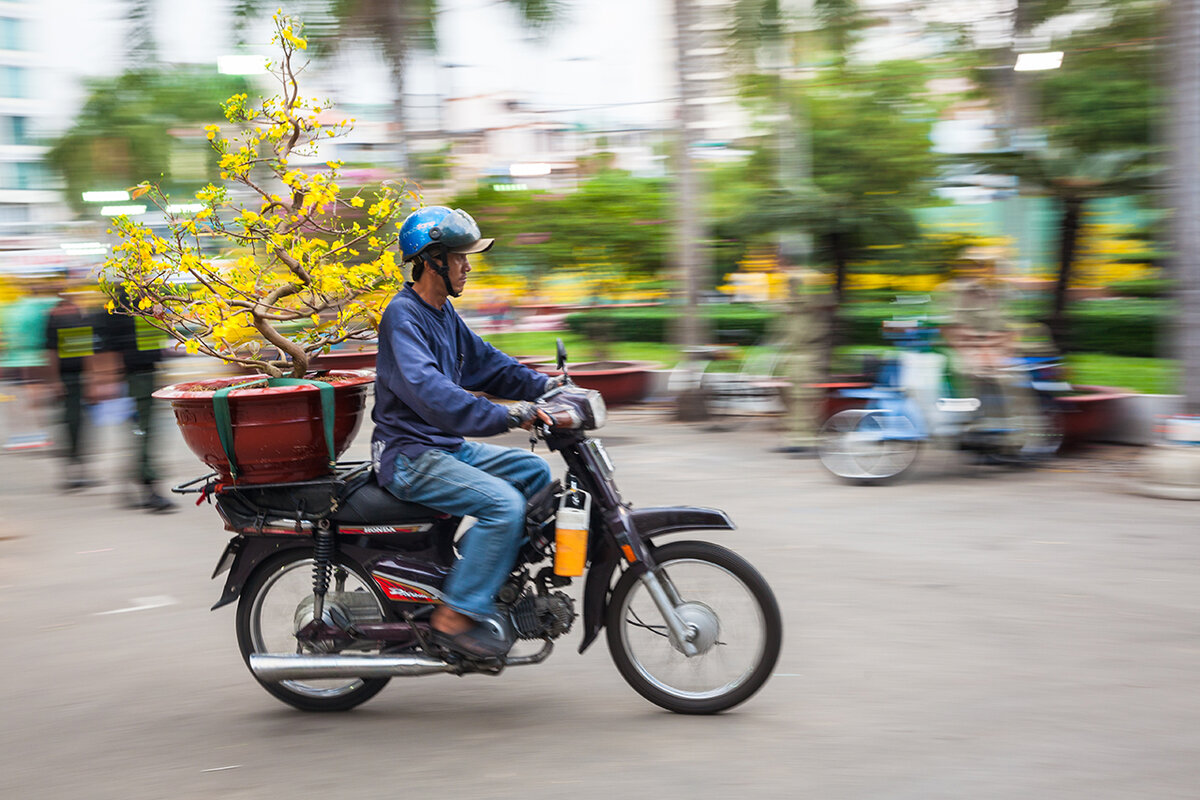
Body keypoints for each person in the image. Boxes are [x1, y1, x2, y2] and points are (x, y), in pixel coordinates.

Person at [372, 206, 561, 659]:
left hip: (443, 448)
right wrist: (509, 415)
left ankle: (479, 580)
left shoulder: (442, 313)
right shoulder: (403, 316)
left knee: (534, 473)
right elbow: (432, 393)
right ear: (431, 260)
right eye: (460, 258)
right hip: (409, 455)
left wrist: (550, 387)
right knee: (503, 504)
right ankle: (454, 615)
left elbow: (489, 364)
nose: (468, 267)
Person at [94, 284, 177, 513]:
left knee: (142, 433)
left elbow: (157, 336)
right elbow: (109, 345)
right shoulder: (122, 303)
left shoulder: (147, 302)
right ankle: (148, 487)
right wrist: (107, 380)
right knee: (143, 432)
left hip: (145, 376)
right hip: (134, 378)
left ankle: (136, 482)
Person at [43, 274, 99, 490]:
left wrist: (92, 379)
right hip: (66, 379)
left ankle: (80, 469)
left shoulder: (78, 314)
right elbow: (51, 352)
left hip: (80, 377)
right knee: (70, 424)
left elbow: (87, 349)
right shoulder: (54, 317)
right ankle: (71, 471)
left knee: (83, 426)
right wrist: (55, 381)